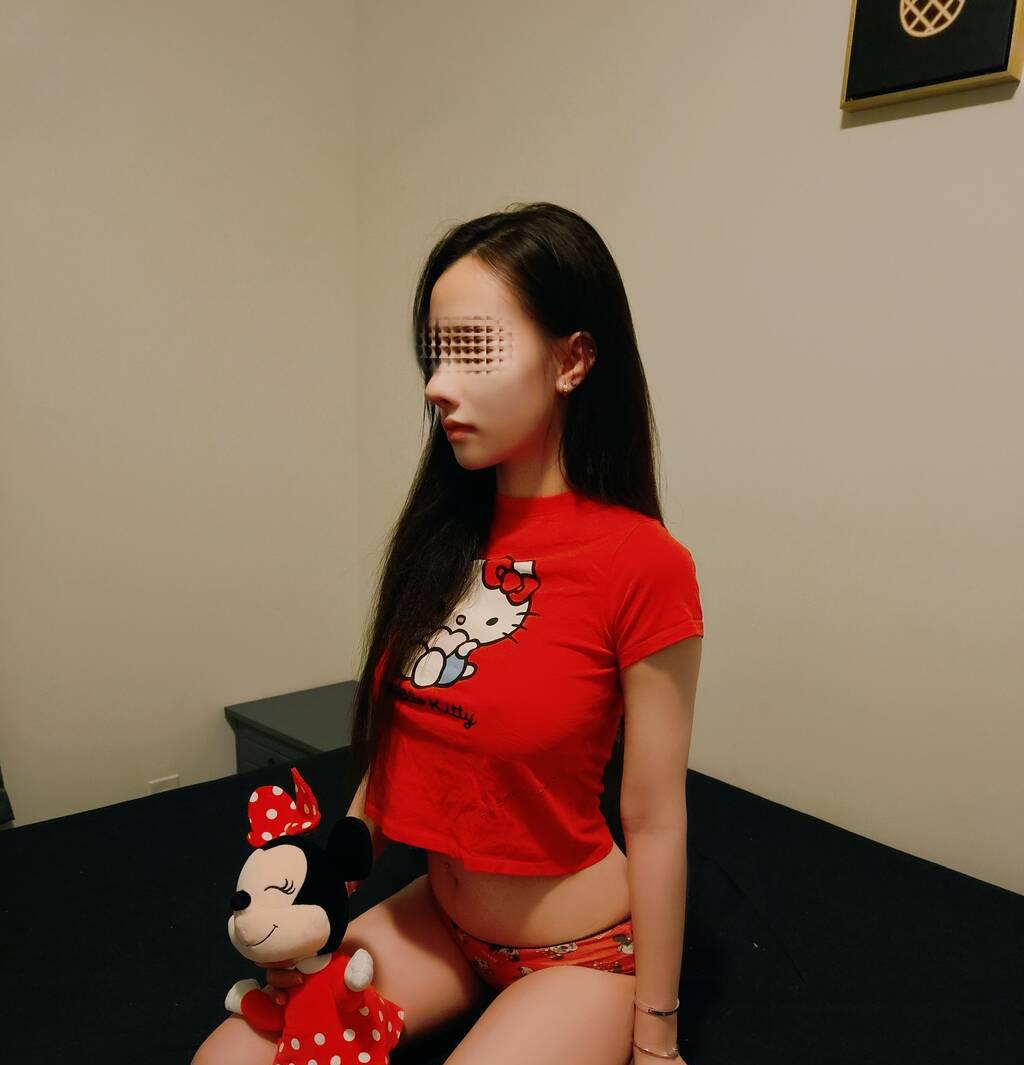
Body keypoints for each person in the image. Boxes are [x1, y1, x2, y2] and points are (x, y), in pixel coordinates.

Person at [192, 201, 703, 1065]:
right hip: (443, 920)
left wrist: (656, 1037)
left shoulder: (644, 563)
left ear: (573, 359)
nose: (437, 384)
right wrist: (320, 891)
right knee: (229, 1058)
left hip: (576, 951)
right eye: (437, 354)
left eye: (473, 350)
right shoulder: (444, 537)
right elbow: (398, 754)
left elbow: (654, 819)